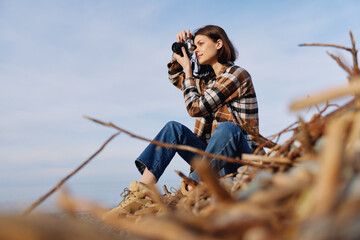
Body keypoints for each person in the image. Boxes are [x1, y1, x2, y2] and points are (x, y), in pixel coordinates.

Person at [102, 25, 261, 219]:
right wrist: (181, 49)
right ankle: (141, 193)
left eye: (201, 44)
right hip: (211, 162)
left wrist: (189, 71)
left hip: (238, 161)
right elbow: (175, 78)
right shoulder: (207, 82)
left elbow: (196, 107)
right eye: (195, 46)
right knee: (173, 128)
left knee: (228, 129)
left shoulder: (236, 75)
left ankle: (191, 185)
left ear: (219, 44)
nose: (197, 50)